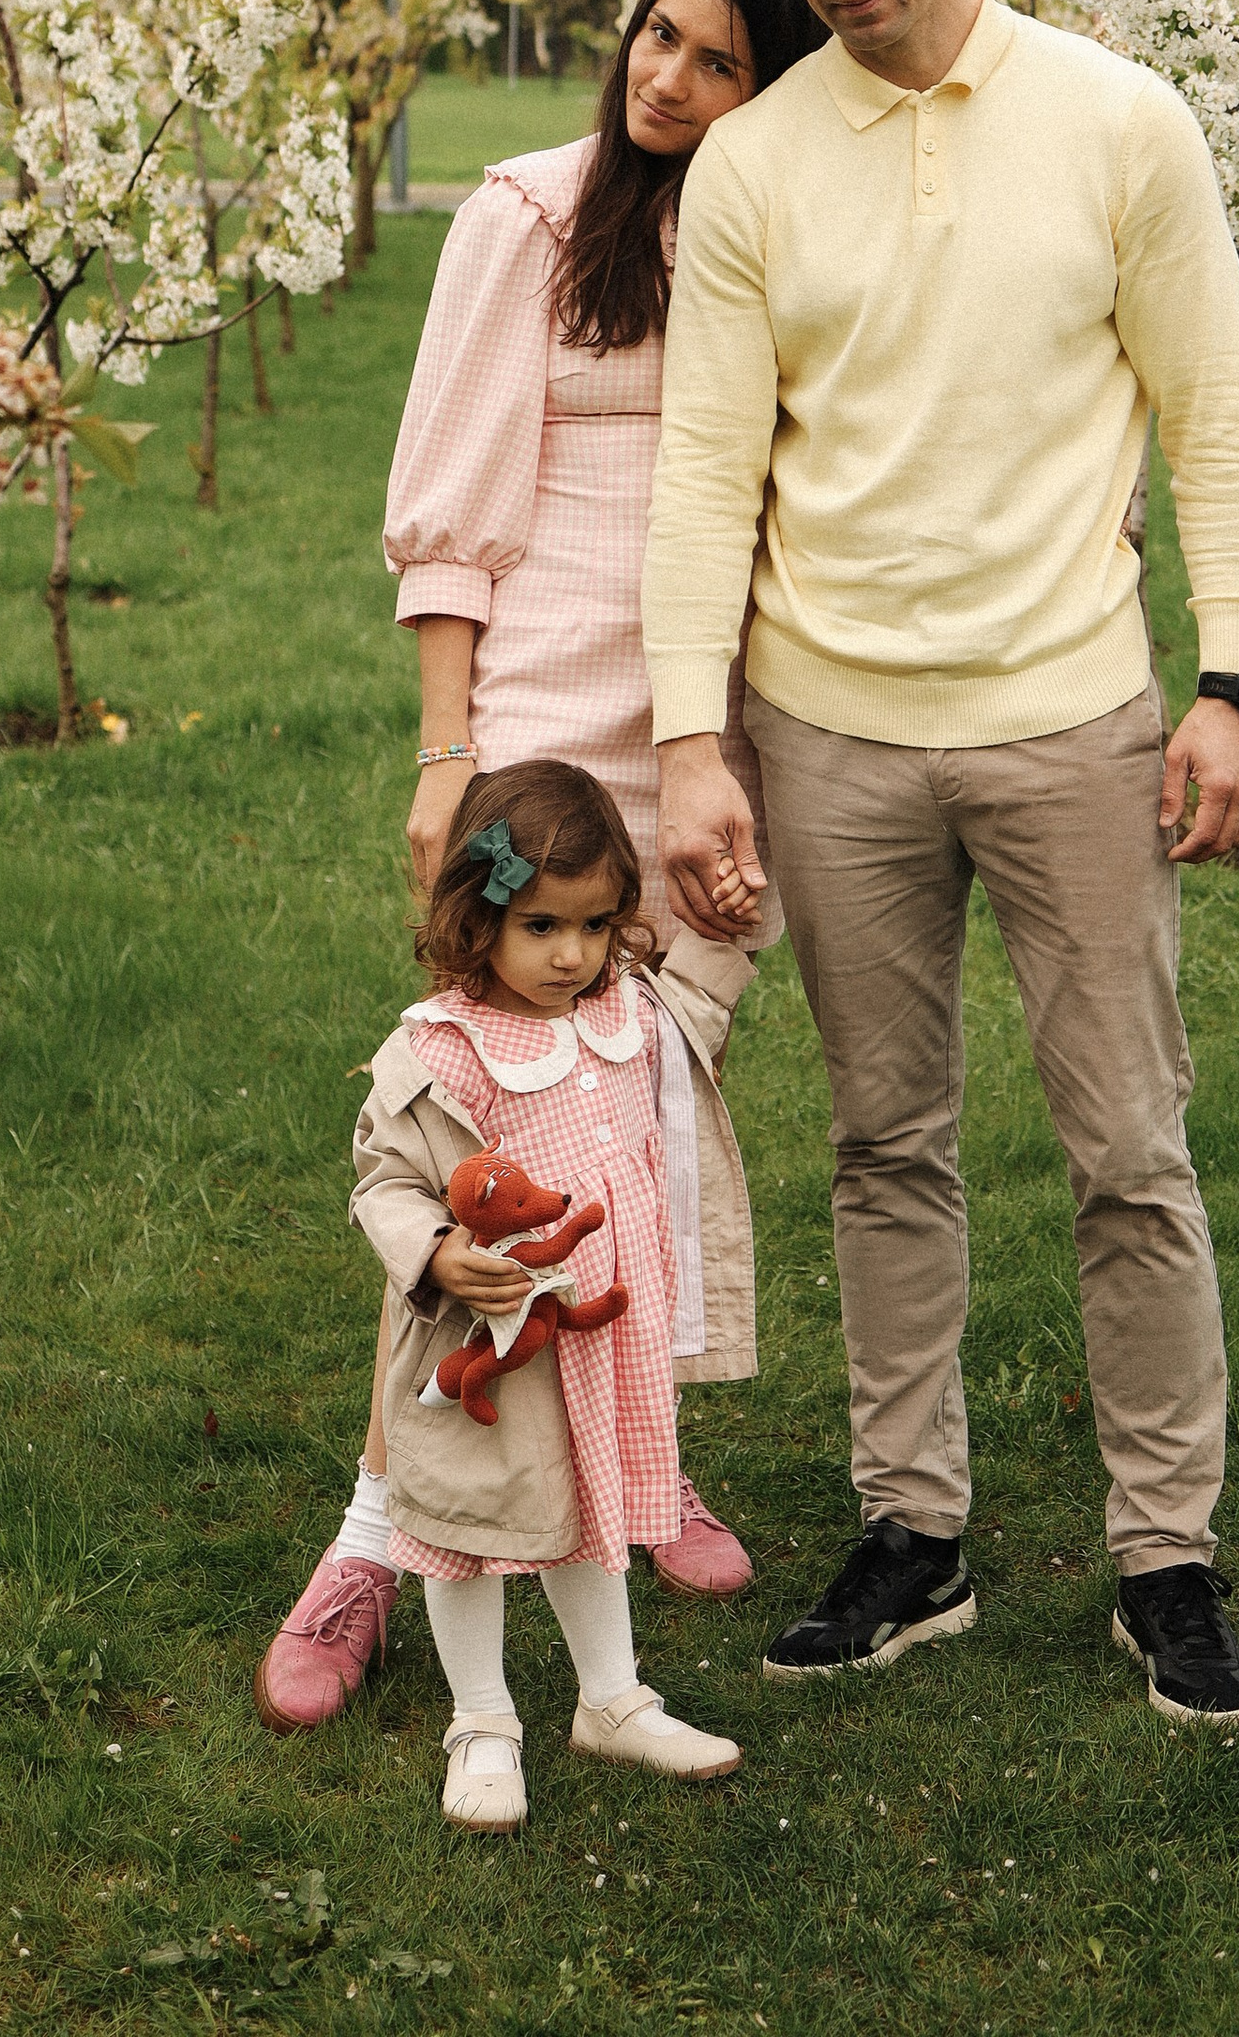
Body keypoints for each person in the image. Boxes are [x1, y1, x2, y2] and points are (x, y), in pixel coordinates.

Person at [644, 0, 1239, 1729]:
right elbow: (703, 469)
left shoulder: (1117, 123)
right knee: (880, 1145)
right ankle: (909, 1533)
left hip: (1072, 722)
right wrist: (692, 743)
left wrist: (1231, 677)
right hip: (825, 732)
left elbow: (1212, 411)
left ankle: (1162, 1558)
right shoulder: (755, 168)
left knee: (1128, 1153)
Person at [254, 0, 826, 1734]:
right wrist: (448, 759)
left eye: (716, 61)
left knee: (638, 1156)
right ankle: (376, 1531)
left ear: (774, 90)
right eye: (657, 36)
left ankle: (618, 1473)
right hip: (552, 756)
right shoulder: (527, 214)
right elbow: (452, 507)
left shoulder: (783, 234)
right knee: (491, 1172)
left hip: (723, 757)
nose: (664, 77)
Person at [350, 757, 743, 1831]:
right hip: (489, 1344)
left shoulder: (622, 1013)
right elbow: (385, 1180)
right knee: (467, 1521)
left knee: (590, 1508)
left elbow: (706, 997)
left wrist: (737, 907)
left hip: (600, 1328)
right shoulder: (445, 1046)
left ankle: (610, 1699)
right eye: (540, 928)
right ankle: (481, 1720)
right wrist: (434, 1252)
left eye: (596, 925)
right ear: (477, 921)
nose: (571, 955)